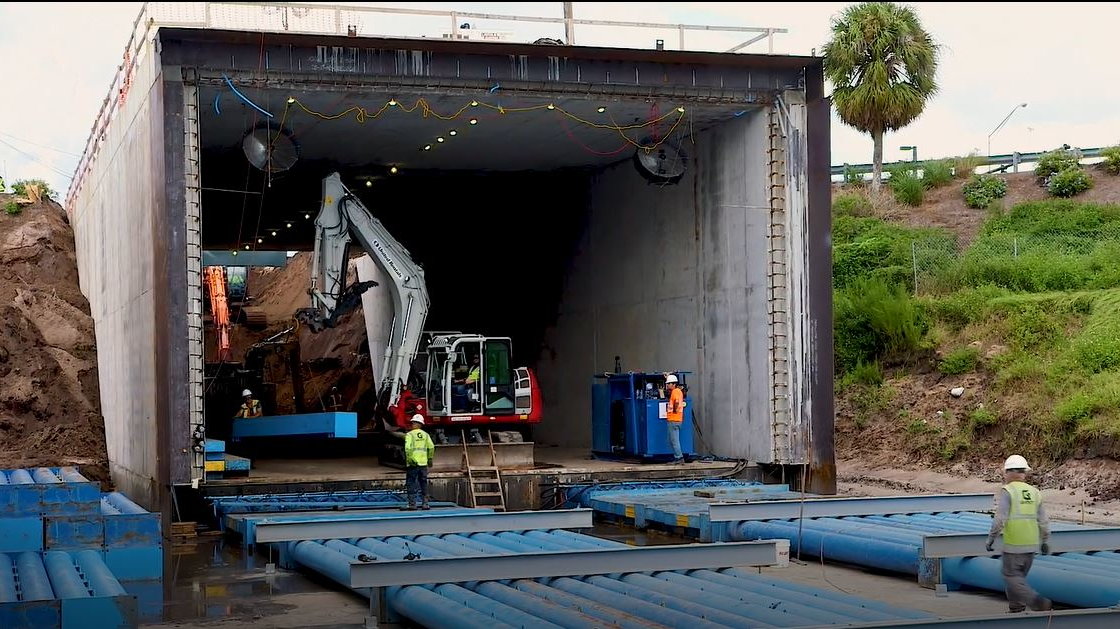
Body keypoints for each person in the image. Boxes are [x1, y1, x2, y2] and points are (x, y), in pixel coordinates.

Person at [985, 454, 1053, 614]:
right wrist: (1045, 541)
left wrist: (991, 539)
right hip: (1031, 547)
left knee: (1010, 577)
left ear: (1009, 472)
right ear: (1023, 472)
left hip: (1014, 546)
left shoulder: (1008, 491)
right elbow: (1043, 520)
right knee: (1018, 580)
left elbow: (999, 519)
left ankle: (1035, 601)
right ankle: (1016, 610)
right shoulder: (1034, 492)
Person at [386, 414, 435, 510]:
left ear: (417, 424)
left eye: (413, 423)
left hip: (413, 464)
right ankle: (425, 503)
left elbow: (407, 448)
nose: (412, 424)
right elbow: (431, 447)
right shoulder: (425, 435)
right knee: (423, 483)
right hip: (423, 464)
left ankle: (412, 504)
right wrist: (429, 460)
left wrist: (410, 459)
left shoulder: (410, 435)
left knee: (411, 483)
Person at [664, 374, 685, 464]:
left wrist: (674, 412)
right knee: (674, 440)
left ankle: (679, 458)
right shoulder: (679, 391)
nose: (667, 385)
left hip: (673, 420)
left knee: (674, 440)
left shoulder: (675, 392)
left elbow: (676, 402)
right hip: (677, 419)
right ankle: (678, 457)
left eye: (668, 384)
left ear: (673, 384)